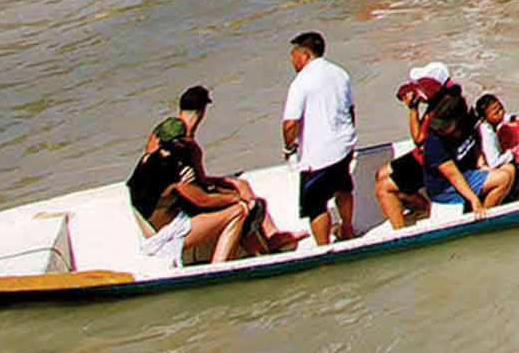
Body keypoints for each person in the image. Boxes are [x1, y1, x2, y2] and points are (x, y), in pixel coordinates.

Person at [127, 118, 294, 265]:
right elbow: (203, 200)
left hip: (150, 226)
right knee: (239, 212)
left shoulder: (148, 158)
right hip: (166, 235)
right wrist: (235, 199)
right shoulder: (173, 168)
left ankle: (258, 250)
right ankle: (219, 265)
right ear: (180, 142)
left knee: (236, 204)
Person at [280, 31, 356, 247]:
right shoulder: (340, 73)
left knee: (316, 204)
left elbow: (290, 123)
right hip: (343, 144)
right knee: (343, 186)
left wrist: (288, 147)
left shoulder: (301, 82)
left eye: (293, 55)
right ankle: (348, 230)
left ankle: (323, 247)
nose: (292, 61)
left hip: (318, 154)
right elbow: (350, 109)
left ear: (304, 55)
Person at [373, 150, 433, 231]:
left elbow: (419, 139)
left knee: (384, 187)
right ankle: (422, 207)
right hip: (423, 152)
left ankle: (400, 234)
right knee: (381, 173)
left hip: (435, 156)